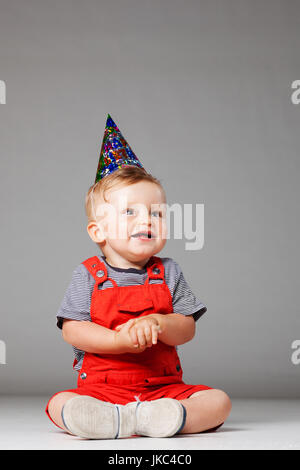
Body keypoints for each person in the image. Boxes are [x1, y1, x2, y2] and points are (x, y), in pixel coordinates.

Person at [45, 115, 231, 439]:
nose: (147, 218)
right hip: (103, 391)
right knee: (61, 403)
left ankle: (157, 417)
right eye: (130, 211)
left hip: (163, 390)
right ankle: (107, 417)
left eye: (157, 212)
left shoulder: (168, 271)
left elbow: (187, 328)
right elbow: (72, 331)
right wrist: (118, 340)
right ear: (97, 231)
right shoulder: (88, 275)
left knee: (219, 402)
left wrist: (159, 325)